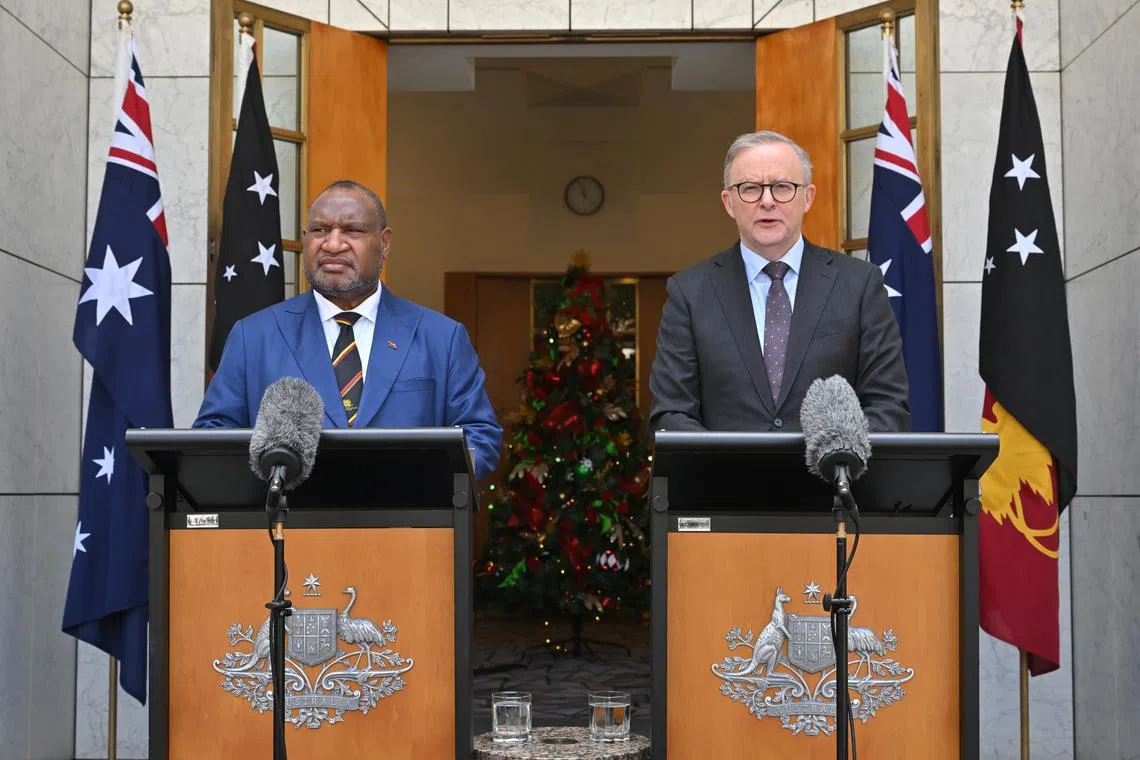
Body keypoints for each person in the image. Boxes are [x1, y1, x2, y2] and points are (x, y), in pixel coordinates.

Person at [194, 179, 502, 480]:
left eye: (352, 230)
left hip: (406, 526)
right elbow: (212, 438)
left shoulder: (441, 337)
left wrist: (419, 484)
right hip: (289, 526)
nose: (333, 244)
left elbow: (480, 438)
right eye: (320, 230)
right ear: (305, 239)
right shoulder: (254, 336)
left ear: (385, 243)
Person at [649, 131, 910, 433]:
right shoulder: (689, 293)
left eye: (782, 187)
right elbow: (670, 413)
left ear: (807, 197)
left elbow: (888, 406)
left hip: (831, 478)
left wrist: (837, 458)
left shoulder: (859, 285)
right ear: (729, 202)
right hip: (726, 479)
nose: (767, 201)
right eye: (750, 188)